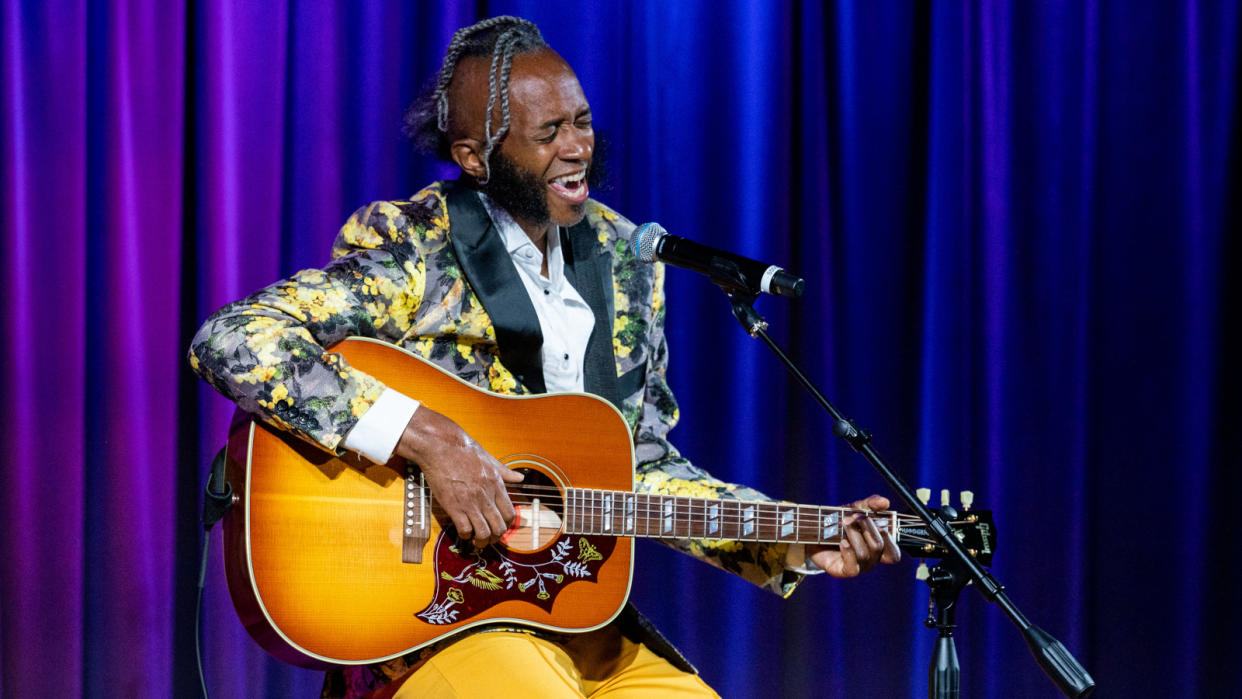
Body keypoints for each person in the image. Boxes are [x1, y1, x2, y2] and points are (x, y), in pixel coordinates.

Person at [189, 16, 899, 698]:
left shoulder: (625, 259)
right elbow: (235, 336)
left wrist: (798, 539)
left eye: (582, 121)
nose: (577, 146)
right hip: (438, 626)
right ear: (474, 155)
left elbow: (641, 467)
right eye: (548, 132)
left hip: (577, 618)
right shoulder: (419, 247)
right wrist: (430, 440)